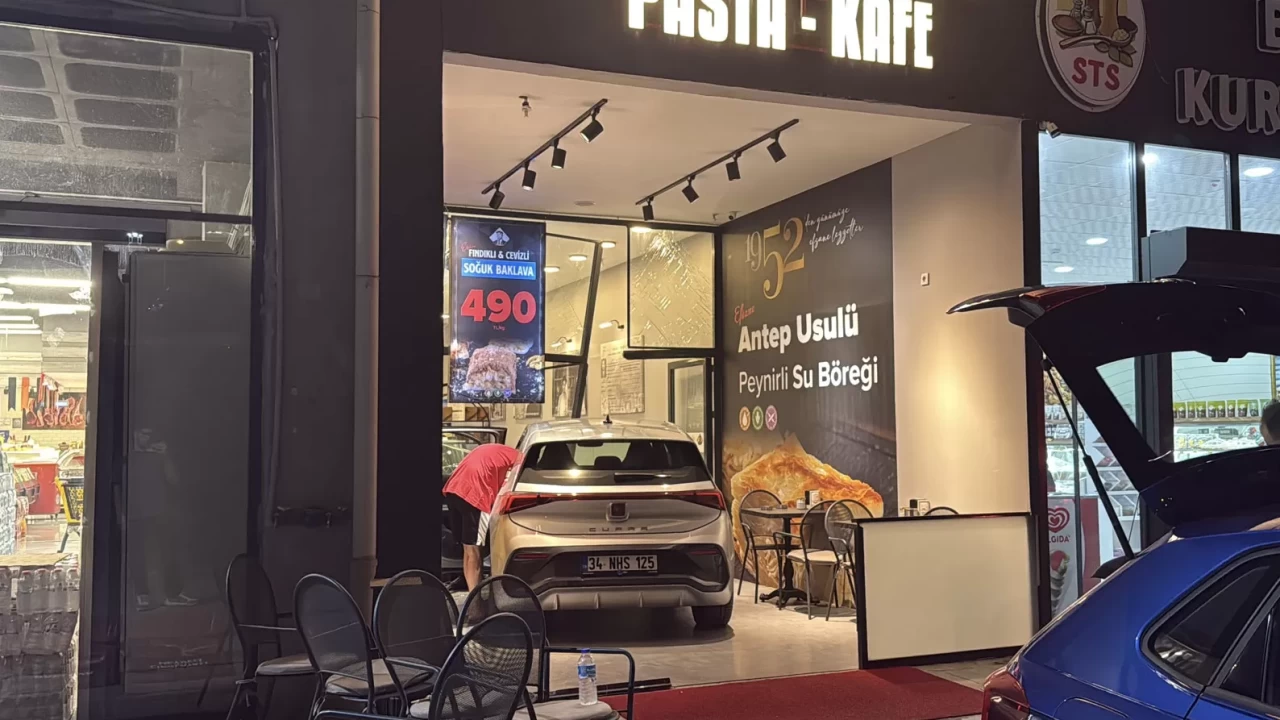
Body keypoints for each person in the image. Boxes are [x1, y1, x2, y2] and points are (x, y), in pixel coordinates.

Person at [442, 442, 522, 590]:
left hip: (454, 490)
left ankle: (470, 590)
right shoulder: (520, 460)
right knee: (474, 552)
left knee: (468, 549)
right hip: (476, 495)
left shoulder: (496, 450)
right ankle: (475, 598)